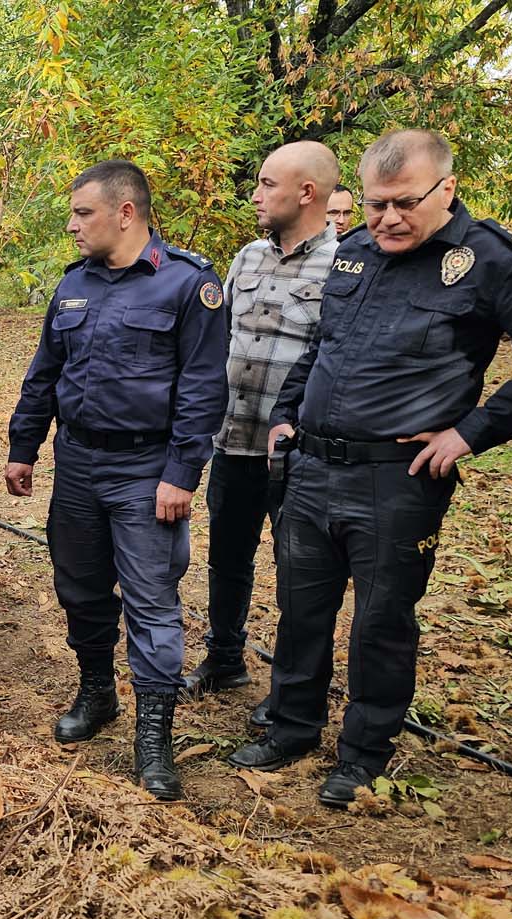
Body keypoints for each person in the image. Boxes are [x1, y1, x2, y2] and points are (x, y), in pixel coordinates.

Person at [226, 130, 512, 808]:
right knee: (300, 610)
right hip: (313, 466)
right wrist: (287, 414)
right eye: (375, 205)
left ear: (446, 189)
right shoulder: (352, 253)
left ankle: (362, 754)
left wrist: (473, 431)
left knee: (380, 623)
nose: (386, 220)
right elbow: (321, 344)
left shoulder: (490, 263)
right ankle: (291, 726)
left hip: (397, 479)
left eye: (404, 203)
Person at [4, 160, 228, 801]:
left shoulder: (188, 285)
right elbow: (45, 370)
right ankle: (97, 691)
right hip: (77, 464)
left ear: (125, 213)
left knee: (153, 601)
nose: (72, 225)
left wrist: (182, 472)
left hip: (146, 468)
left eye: (83, 214)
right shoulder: (74, 284)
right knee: (79, 586)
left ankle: (154, 736)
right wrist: (25, 445)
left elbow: (204, 387)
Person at [189, 142, 340, 723]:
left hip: (297, 454)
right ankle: (224, 656)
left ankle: (293, 687)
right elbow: (221, 341)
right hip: (234, 442)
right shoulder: (246, 258)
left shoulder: (347, 266)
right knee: (228, 558)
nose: (255, 194)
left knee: (300, 574)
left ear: (307, 193)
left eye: (267, 184)